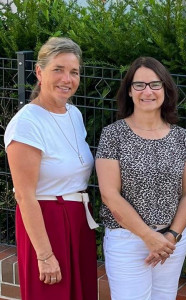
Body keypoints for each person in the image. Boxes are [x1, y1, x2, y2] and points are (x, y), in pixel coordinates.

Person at [95, 57, 186, 300]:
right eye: (139, 85)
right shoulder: (113, 135)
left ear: (165, 89)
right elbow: (110, 194)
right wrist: (149, 236)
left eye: (155, 84)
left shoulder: (183, 137)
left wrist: (170, 236)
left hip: (171, 242)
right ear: (129, 91)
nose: (147, 91)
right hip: (127, 242)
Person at [4, 37, 98, 299]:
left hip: (78, 221)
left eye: (74, 72)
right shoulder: (27, 123)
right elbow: (24, 195)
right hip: (46, 222)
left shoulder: (74, 114)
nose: (66, 78)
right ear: (39, 72)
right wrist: (44, 255)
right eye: (58, 69)